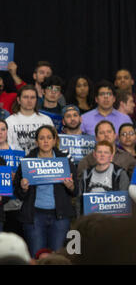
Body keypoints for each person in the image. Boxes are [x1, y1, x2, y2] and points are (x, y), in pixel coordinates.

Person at [14, 125, 78, 257]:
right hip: (35, 217)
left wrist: (70, 186)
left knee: (57, 257)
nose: (46, 141)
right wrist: (23, 188)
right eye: (42, 138)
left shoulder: (64, 161)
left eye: (49, 137)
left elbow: (76, 191)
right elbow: (19, 193)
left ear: (54, 140)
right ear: (36, 142)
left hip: (59, 217)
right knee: (36, 256)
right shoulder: (27, 161)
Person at [6, 85, 54, 154]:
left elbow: (53, 144)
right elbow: (7, 147)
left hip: (41, 161)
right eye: (25, 97)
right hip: (17, 161)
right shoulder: (9, 121)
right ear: (18, 100)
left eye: (32, 97)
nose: (29, 100)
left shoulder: (46, 120)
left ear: (36, 100)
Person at [0, 119, 23, 236]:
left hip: (15, 202)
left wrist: (16, 177)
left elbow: (25, 176)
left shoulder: (18, 151)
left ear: (7, 131)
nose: (0, 132)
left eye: (3, 129)